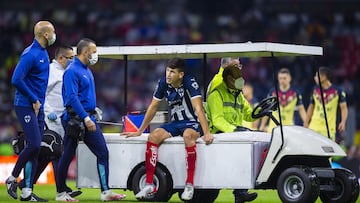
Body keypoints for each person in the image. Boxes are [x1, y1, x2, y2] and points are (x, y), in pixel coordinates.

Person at [122, 57, 213, 201]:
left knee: (188, 136)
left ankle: (189, 184)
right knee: (153, 137)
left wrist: (207, 132)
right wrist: (140, 130)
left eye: (172, 72)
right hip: (175, 123)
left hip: (192, 122)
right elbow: (153, 107)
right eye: (167, 71)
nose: (168, 74)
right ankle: (149, 184)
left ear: (181, 74)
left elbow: (199, 108)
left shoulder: (190, 82)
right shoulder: (163, 83)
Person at [55, 38, 126, 202]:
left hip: (88, 117)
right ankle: (60, 194)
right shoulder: (72, 71)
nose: (95, 55)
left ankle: (105, 192)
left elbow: (83, 96)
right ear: (85, 52)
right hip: (75, 119)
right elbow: (72, 98)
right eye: (93, 51)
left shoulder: (86, 70)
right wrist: (86, 117)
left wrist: (93, 110)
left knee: (102, 152)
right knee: (67, 155)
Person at [17, 45, 82, 198]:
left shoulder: (65, 72)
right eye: (70, 58)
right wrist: (48, 111)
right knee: (56, 152)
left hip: (61, 119)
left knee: (47, 155)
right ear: (60, 58)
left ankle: (26, 183)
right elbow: (41, 93)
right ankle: (62, 189)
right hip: (50, 119)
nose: (73, 61)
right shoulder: (51, 71)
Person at [7, 20, 56, 202]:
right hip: (26, 105)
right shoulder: (31, 54)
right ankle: (12, 178)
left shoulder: (43, 52)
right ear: (45, 34)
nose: (54, 35)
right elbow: (16, 79)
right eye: (53, 32)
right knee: (34, 145)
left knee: (36, 150)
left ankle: (27, 191)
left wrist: (40, 103)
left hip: (38, 106)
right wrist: (34, 99)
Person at [205, 64, 258, 203]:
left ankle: (241, 191)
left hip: (233, 134)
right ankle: (240, 192)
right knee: (242, 152)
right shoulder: (216, 94)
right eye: (237, 79)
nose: (241, 82)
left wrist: (260, 112)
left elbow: (248, 114)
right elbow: (217, 120)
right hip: (217, 135)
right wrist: (235, 130)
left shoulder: (238, 95)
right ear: (229, 79)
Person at [304, 67, 348, 141]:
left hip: (328, 130)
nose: (314, 78)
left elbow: (344, 108)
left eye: (316, 76)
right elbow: (311, 107)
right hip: (313, 127)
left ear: (323, 77)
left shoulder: (338, 91)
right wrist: (306, 122)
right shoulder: (315, 90)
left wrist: (343, 122)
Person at [259, 68, 307, 133]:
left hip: (289, 128)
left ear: (290, 78)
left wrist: (306, 122)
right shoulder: (272, 92)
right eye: (280, 78)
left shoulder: (295, 93)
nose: (282, 80)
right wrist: (262, 125)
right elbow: (267, 110)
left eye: (284, 78)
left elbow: (301, 109)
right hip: (273, 129)